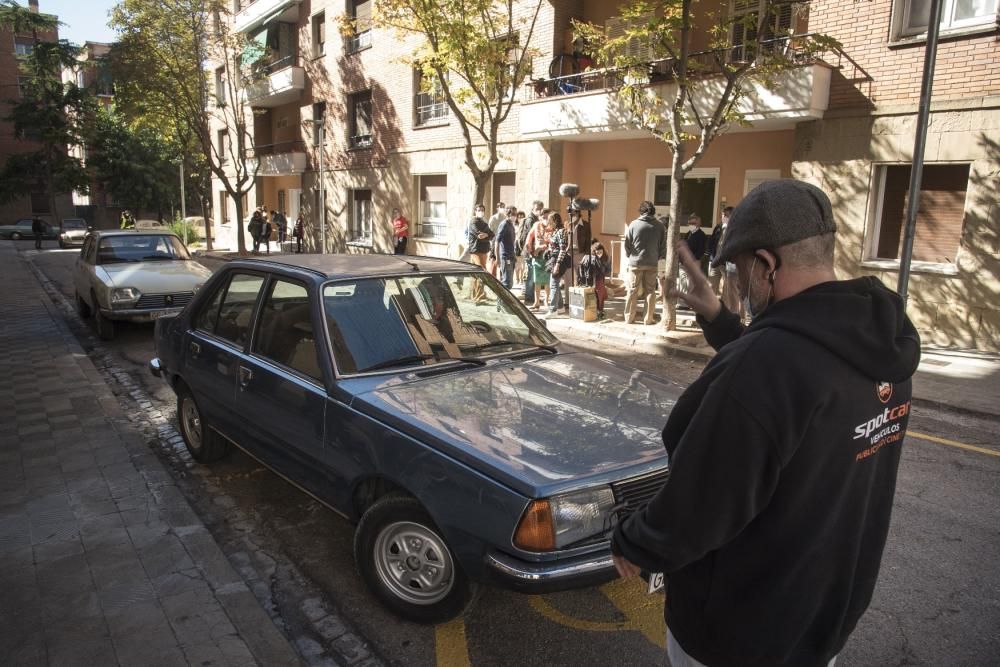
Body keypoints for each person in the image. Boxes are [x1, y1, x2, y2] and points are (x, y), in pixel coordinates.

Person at [610, 180, 921, 667]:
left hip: (740, 631)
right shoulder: (881, 342)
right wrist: (723, 323)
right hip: (821, 618)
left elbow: (702, 500)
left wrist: (634, 540)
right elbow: (801, 381)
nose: (735, 284)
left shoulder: (764, 367)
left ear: (768, 265)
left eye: (738, 270)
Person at [623, 201, 665, 325]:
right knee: (650, 291)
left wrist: (630, 255)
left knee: (632, 290)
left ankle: (629, 318)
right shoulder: (660, 226)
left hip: (635, 262)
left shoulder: (633, 224)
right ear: (653, 212)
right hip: (652, 263)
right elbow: (663, 246)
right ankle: (648, 318)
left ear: (640, 211)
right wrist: (658, 257)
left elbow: (627, 244)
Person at [465, 204, 494, 302]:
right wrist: (486, 235)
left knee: (476, 273)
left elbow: (492, 234)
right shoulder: (473, 222)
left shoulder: (483, 222)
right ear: (475, 211)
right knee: (481, 271)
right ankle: (479, 296)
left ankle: (477, 294)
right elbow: (479, 235)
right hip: (476, 250)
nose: (480, 211)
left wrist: (486, 235)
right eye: (478, 210)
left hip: (484, 250)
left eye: (482, 210)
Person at [577, 240, 612, 319]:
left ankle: (600, 310)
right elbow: (582, 268)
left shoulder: (606, 258)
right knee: (595, 295)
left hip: (600, 278)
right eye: (597, 252)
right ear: (594, 251)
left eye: (601, 251)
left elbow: (608, 270)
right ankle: (596, 310)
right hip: (590, 279)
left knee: (601, 294)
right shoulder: (590, 258)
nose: (599, 253)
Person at [543, 212, 569, 318]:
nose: (549, 223)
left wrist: (558, 264)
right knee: (555, 284)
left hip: (558, 260)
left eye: (550, 221)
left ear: (554, 221)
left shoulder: (562, 231)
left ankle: (553, 310)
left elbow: (563, 249)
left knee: (553, 284)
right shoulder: (556, 231)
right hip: (554, 259)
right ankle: (560, 307)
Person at [524, 209, 550, 310]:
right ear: (540, 217)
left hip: (548, 255)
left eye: (547, 217)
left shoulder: (551, 226)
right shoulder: (536, 225)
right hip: (537, 256)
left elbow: (552, 241)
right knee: (537, 280)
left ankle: (546, 301)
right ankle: (536, 302)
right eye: (543, 217)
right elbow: (529, 237)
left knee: (547, 280)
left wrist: (542, 247)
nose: (545, 219)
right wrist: (529, 248)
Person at [521, 200, 544, 304]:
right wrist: (532, 251)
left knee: (533, 275)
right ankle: (529, 298)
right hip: (530, 252)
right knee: (530, 276)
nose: (538, 211)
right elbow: (531, 237)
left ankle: (532, 297)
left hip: (533, 252)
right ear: (532, 209)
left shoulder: (536, 219)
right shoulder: (531, 220)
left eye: (540, 209)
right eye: (536, 209)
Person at [495, 205, 517, 299]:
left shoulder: (511, 225)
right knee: (507, 282)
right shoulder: (504, 224)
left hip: (511, 256)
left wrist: (514, 255)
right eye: (511, 214)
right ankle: (501, 302)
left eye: (515, 214)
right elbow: (497, 241)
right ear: (507, 214)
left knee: (510, 283)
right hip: (505, 257)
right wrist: (497, 258)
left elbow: (511, 242)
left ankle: (504, 302)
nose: (514, 216)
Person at [707, 211, 725, 294]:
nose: (723, 217)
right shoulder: (718, 227)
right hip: (715, 260)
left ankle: (724, 305)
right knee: (711, 284)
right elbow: (711, 241)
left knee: (726, 287)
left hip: (726, 263)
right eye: (722, 215)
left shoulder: (734, 227)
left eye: (725, 215)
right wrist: (711, 256)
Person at [513, 210, 528, 284]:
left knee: (522, 263)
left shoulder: (526, 226)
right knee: (517, 263)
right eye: (518, 217)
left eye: (522, 217)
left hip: (523, 245)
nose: (520, 218)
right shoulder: (514, 225)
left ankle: (522, 278)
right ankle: (517, 278)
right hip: (516, 245)